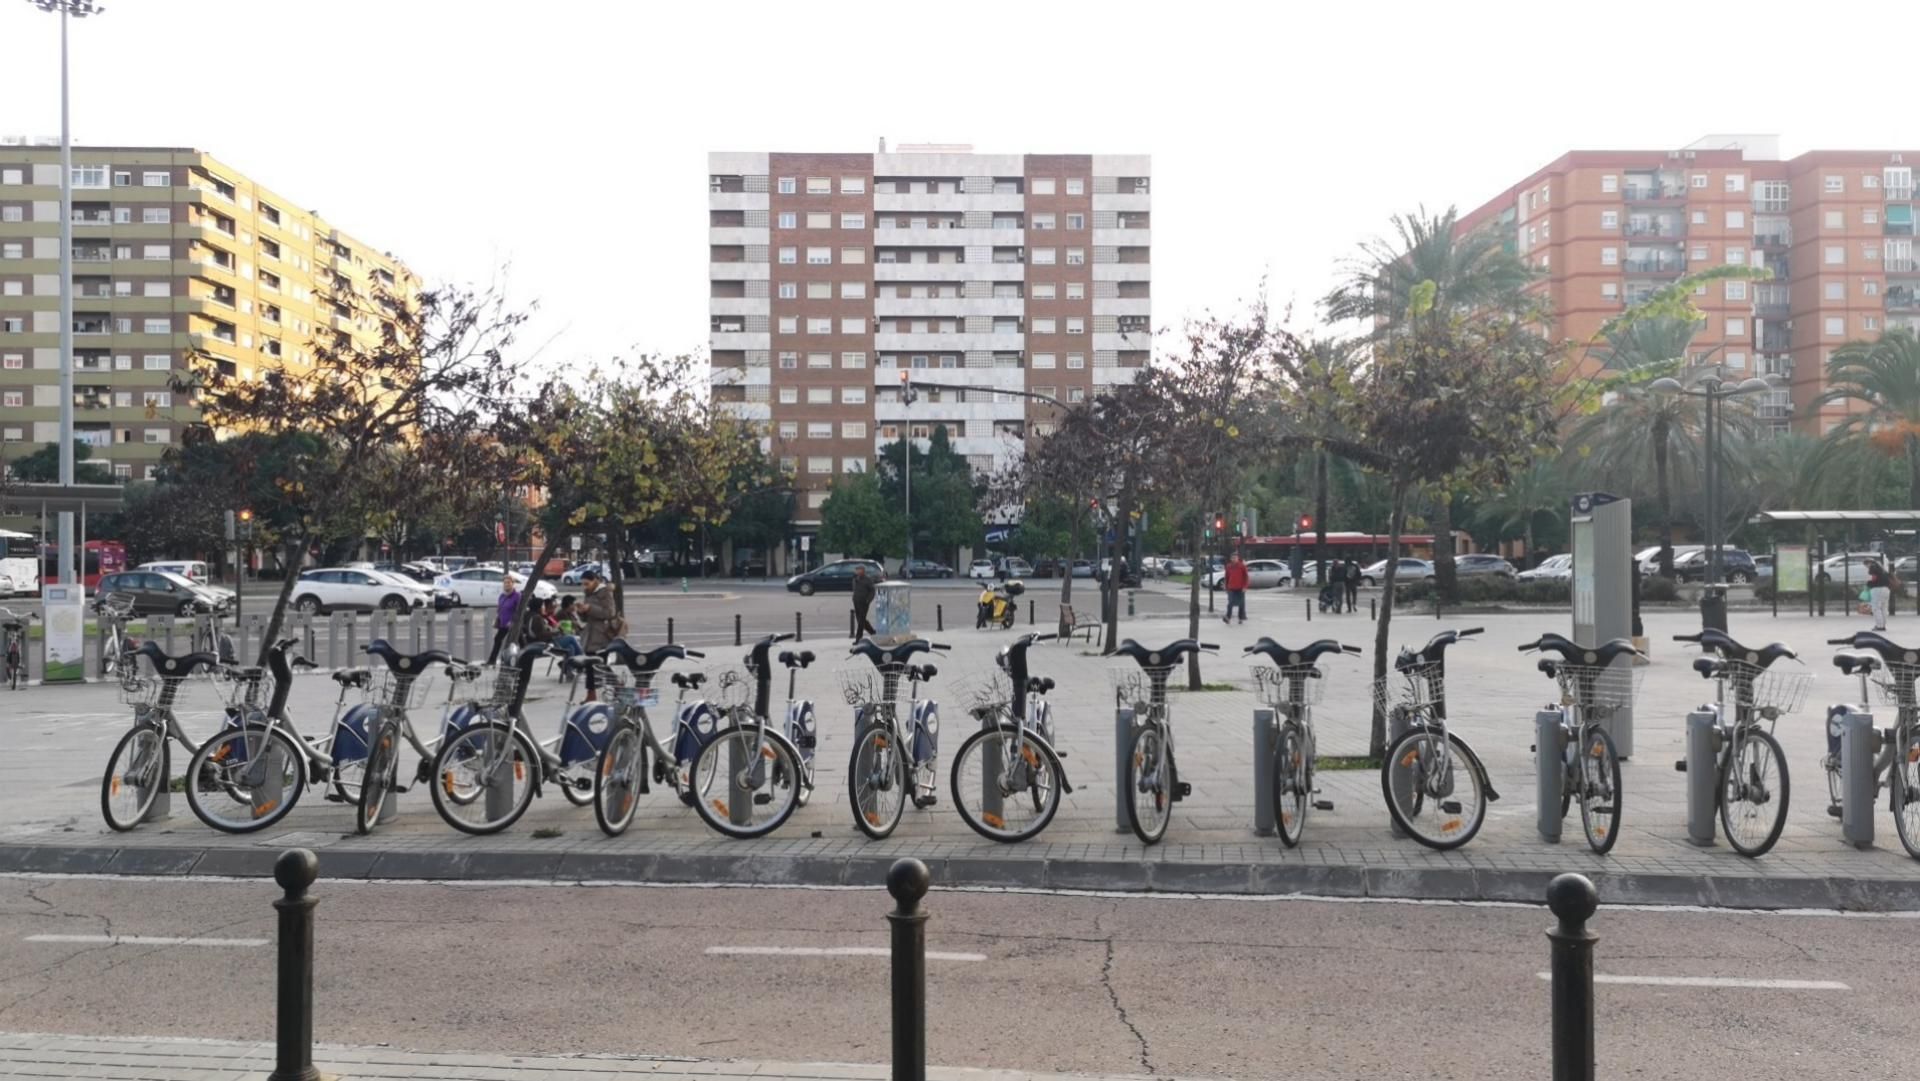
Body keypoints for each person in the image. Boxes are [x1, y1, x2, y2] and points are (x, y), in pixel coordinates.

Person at [578, 568, 620, 701]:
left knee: (600, 665)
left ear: (595, 581)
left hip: (602, 635)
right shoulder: (588, 593)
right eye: (583, 584)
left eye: (587, 584)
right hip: (590, 635)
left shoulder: (605, 592)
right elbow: (586, 618)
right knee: (590, 666)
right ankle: (591, 694)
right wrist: (581, 612)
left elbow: (609, 613)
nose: (585, 586)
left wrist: (590, 608)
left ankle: (617, 686)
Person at [486, 575, 522, 666]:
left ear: (513, 584)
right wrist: (497, 619)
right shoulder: (502, 596)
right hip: (503, 624)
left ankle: (521, 658)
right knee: (498, 639)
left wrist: (512, 621)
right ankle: (492, 661)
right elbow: (500, 609)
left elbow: (518, 611)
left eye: (509, 583)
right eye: (505, 583)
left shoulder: (517, 596)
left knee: (517, 641)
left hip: (513, 624)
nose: (506, 584)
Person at [1222, 552, 1249, 625]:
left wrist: (1245, 587)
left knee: (1241, 604)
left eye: (1235, 558)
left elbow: (1246, 577)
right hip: (1231, 588)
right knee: (1230, 603)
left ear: (1238, 558)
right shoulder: (1228, 566)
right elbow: (1226, 577)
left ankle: (1240, 618)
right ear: (1230, 559)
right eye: (1232, 558)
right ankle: (1228, 617)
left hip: (1240, 588)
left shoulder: (1242, 566)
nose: (1234, 559)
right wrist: (1226, 587)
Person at [851, 564, 877, 638]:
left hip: (864, 602)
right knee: (860, 620)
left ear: (863, 570)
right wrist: (854, 598)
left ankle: (858, 637)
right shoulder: (855, 579)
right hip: (856, 601)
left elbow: (872, 591)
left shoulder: (867, 579)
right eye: (856, 569)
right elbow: (854, 589)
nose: (857, 571)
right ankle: (872, 632)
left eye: (858, 569)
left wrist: (868, 600)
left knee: (861, 620)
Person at [1868, 558, 1892, 632]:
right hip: (1886, 590)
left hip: (1877, 590)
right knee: (1884, 608)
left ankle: (1879, 625)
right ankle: (1883, 625)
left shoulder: (1874, 569)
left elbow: (1874, 580)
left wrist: (1868, 583)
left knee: (1876, 608)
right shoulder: (1883, 571)